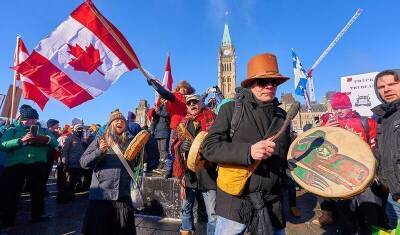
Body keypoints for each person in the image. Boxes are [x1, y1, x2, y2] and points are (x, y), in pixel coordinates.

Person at [202, 53, 291, 235]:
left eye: (274, 82)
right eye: (262, 81)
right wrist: (248, 151)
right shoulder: (231, 109)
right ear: (250, 84)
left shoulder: (283, 117)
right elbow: (209, 147)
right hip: (235, 204)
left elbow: (288, 158)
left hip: (272, 204)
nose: (269, 86)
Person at [316, 92, 385, 234]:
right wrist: (326, 129)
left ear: (350, 106)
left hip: (364, 174)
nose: (339, 111)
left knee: (369, 211)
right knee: (345, 213)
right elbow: (317, 146)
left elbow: (375, 147)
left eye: (342, 107)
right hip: (341, 174)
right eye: (336, 108)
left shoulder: (366, 122)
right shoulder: (327, 122)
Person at [0, 105, 58, 230]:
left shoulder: (43, 130)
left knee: (38, 191)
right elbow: (2, 145)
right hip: (16, 166)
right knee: (12, 193)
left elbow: (55, 142)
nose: (32, 121)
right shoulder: (13, 130)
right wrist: (20, 140)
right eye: (29, 119)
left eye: (34, 119)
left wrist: (44, 139)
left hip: (37, 165)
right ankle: (7, 220)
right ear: (22, 120)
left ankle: (37, 215)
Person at [80, 109, 137, 235]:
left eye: (122, 120)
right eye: (116, 120)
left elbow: (141, 163)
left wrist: (141, 151)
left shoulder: (131, 140)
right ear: (111, 123)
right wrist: (99, 151)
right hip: (101, 195)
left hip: (122, 195)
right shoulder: (101, 139)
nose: (119, 122)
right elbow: (84, 162)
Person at [175, 94, 217, 235]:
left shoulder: (212, 118)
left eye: (195, 102)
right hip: (189, 175)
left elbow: (220, 140)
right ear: (186, 106)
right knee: (186, 208)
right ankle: (186, 230)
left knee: (213, 214)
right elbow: (174, 145)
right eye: (189, 103)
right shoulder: (182, 123)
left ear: (201, 103)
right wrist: (182, 147)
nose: (192, 104)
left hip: (208, 173)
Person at [146, 78, 195, 178]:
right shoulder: (175, 97)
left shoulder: (191, 100)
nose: (183, 90)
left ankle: (187, 170)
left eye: (186, 89)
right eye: (182, 88)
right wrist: (154, 85)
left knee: (188, 148)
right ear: (178, 89)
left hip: (188, 126)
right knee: (172, 148)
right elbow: (164, 93)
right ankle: (170, 169)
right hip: (176, 127)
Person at [371, 69, 400, 229]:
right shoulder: (384, 117)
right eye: (381, 87)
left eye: (393, 84)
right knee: (392, 227)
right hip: (392, 191)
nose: (387, 89)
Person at [61, 123, 87, 202]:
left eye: (81, 129)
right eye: (79, 129)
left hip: (81, 163)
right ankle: (68, 197)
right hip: (72, 164)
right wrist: (64, 163)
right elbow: (65, 151)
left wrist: (85, 142)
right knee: (70, 181)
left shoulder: (83, 138)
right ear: (75, 130)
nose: (80, 130)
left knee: (79, 180)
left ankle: (77, 193)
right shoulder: (70, 138)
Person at [149, 98, 171, 176]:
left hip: (165, 131)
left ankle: (167, 167)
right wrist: (152, 130)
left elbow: (167, 114)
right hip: (158, 132)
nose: (163, 100)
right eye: (162, 99)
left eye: (164, 99)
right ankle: (161, 165)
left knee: (164, 150)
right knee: (159, 150)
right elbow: (154, 121)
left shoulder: (168, 107)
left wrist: (158, 111)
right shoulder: (159, 108)